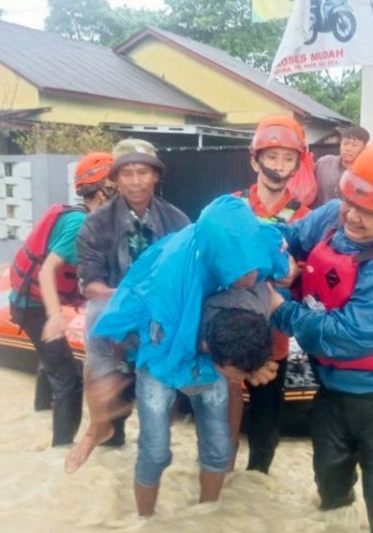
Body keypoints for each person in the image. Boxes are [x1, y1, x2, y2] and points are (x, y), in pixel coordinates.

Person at [268, 139, 373, 533]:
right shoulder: (334, 215)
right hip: (332, 389)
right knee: (329, 483)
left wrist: (279, 309)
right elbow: (287, 237)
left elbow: (347, 336)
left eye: (369, 211)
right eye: (350, 202)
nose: (353, 217)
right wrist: (280, 262)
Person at [88, 195, 291, 516]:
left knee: (218, 447)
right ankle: (145, 520)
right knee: (155, 451)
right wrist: (114, 378)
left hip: (218, 347)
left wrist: (250, 361)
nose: (251, 277)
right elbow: (142, 339)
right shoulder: (171, 279)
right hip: (162, 350)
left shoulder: (257, 250)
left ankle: (205, 518)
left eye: (254, 267)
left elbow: (279, 270)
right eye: (241, 271)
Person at [67, 138, 190, 463]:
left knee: (159, 418)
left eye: (143, 172)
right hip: (113, 316)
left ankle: (155, 448)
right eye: (127, 173)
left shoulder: (178, 222)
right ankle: (99, 428)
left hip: (160, 318)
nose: (136, 181)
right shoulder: (95, 224)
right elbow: (90, 284)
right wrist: (130, 299)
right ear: (115, 179)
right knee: (96, 321)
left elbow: (187, 278)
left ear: (155, 176)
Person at [9, 151, 117, 447]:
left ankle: (40, 413)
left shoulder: (84, 218)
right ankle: (60, 452)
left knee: (51, 361)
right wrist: (56, 316)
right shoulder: (79, 224)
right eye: (115, 187)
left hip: (30, 300)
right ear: (102, 191)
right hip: (34, 306)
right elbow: (47, 271)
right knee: (69, 378)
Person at [231, 114, 311, 474]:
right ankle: (216, 486)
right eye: (272, 157)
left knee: (265, 423)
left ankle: (258, 485)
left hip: (274, 337)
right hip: (227, 331)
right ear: (255, 161)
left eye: (288, 158)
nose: (279, 166)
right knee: (219, 417)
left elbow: (311, 274)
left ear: (297, 164)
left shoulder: (306, 217)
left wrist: (296, 273)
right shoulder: (230, 207)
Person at [313, 125, 370, 208]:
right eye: (345, 144)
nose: (348, 148)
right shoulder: (324, 163)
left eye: (354, 145)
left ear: (364, 148)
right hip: (320, 213)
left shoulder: (368, 172)